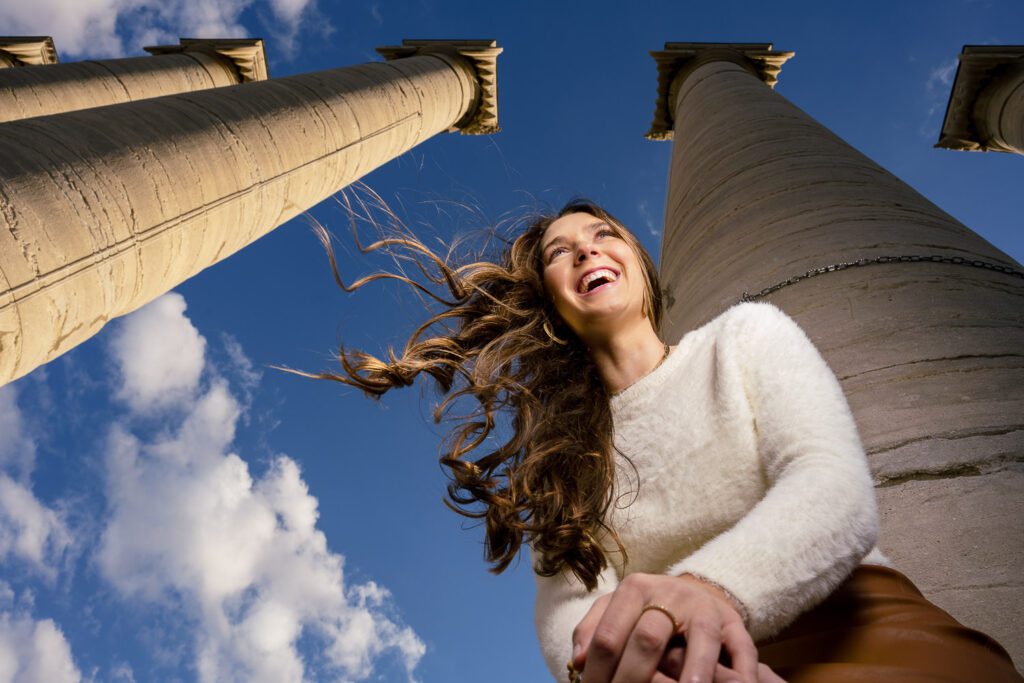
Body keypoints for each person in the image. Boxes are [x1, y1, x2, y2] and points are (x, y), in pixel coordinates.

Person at [310, 198, 1022, 683]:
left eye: (605, 235)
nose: (587, 250)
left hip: (862, 632)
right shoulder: (559, 464)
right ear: (550, 297)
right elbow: (570, 625)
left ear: (641, 267)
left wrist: (708, 591)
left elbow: (832, 483)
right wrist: (681, 667)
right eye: (561, 252)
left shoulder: (745, 335)